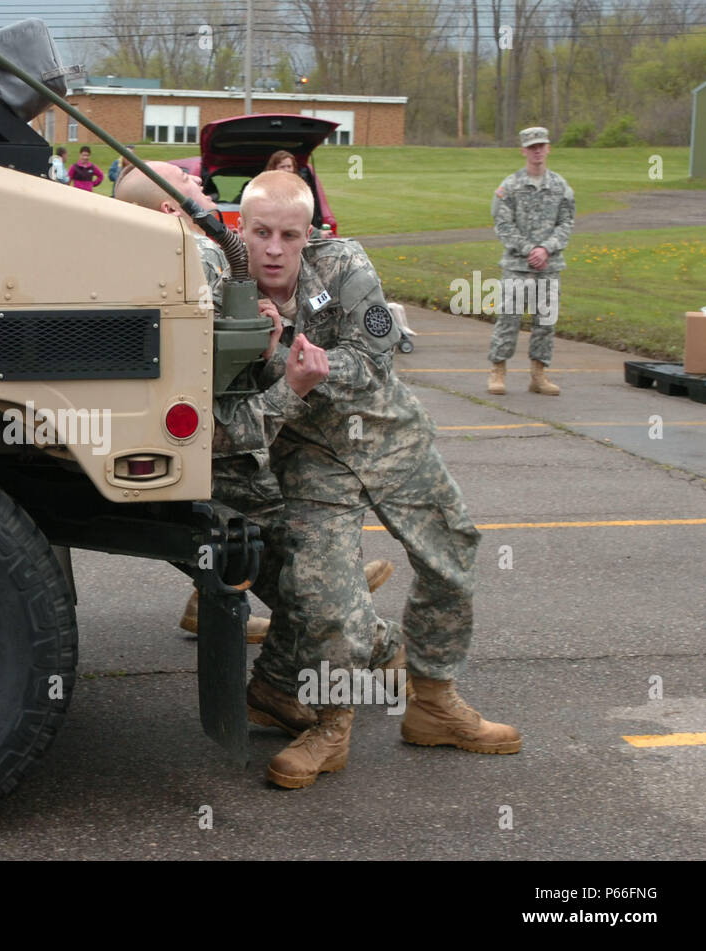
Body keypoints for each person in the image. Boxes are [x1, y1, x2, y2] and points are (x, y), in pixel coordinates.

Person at [226, 170, 519, 788]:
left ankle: (434, 702)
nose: (274, 249)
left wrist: (279, 357)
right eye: (261, 233)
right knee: (323, 592)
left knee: (451, 553)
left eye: (289, 235)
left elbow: (371, 365)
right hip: (311, 460)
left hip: (388, 436)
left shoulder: (345, 268)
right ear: (240, 229)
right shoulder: (222, 290)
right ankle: (331, 726)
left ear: (310, 235)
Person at [114, 161, 396, 704]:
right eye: (196, 188)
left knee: (313, 570)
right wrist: (289, 378)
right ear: (174, 209)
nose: (205, 192)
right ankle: (375, 645)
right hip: (223, 464)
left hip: (209, 457)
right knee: (314, 581)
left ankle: (315, 646)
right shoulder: (203, 262)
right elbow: (221, 429)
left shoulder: (161, 259)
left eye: (289, 235)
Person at [489, 126, 575, 396]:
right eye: (532, 146)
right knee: (509, 319)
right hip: (517, 265)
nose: (537, 151)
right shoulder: (510, 186)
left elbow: (566, 223)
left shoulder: (560, 187)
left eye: (542, 146)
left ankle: (538, 375)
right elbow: (503, 225)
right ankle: (498, 371)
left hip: (548, 266)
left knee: (545, 322)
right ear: (523, 150)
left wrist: (546, 249)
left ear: (548, 148)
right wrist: (529, 250)